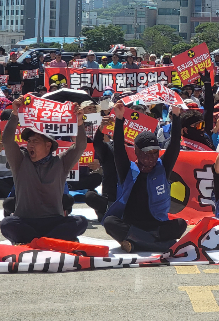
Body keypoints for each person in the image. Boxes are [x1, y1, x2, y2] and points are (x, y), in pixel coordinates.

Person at [0, 97, 88, 244]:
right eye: (29, 141)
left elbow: (80, 146)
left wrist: (79, 123)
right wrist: (14, 114)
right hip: (26, 221)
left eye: (35, 141)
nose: (30, 145)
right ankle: (51, 240)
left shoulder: (61, 162)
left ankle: (38, 241)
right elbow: (8, 140)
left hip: (54, 221)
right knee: (7, 224)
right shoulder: (20, 161)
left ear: (48, 145)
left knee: (81, 221)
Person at [103, 101, 187, 252]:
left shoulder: (162, 168)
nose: (151, 156)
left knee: (181, 224)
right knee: (109, 222)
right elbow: (119, 149)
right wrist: (120, 118)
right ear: (137, 151)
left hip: (156, 225)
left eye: (155, 151)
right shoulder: (128, 169)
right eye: (146, 152)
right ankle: (157, 245)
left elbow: (174, 145)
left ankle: (136, 243)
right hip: (131, 224)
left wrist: (176, 116)